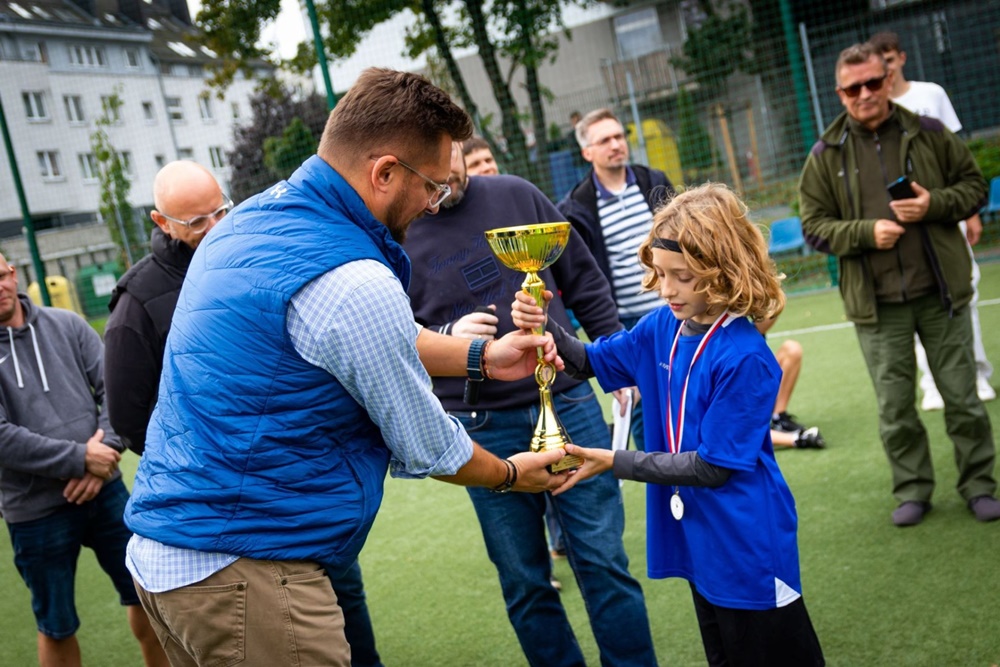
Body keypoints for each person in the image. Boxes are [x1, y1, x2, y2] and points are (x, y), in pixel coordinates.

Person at [122, 68, 569, 667]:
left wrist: (479, 356)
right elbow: (429, 444)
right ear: (384, 172)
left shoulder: (253, 218)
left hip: (171, 559)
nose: (435, 202)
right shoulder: (351, 277)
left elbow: (355, 333)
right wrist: (513, 474)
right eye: (433, 186)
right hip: (245, 565)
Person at [513, 183, 825, 667]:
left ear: (723, 272)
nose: (666, 289)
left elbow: (712, 468)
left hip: (747, 544)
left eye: (682, 277)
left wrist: (611, 461)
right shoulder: (663, 327)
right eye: (660, 274)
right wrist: (543, 319)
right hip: (700, 536)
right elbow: (584, 361)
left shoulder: (745, 357)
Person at [104, 161, 391, 666]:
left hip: (311, 491)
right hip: (231, 520)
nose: (213, 226)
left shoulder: (253, 254)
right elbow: (129, 419)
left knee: (350, 616)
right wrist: (215, 451)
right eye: (195, 222)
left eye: (220, 210)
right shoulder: (138, 302)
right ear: (160, 222)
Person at [403, 144, 657, 667]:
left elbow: (584, 281)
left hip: (568, 402)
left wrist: (615, 365)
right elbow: (390, 333)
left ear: (461, 146)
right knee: (524, 579)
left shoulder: (518, 194)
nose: (443, 176)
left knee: (605, 563)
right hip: (479, 424)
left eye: (449, 155)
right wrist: (449, 338)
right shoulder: (397, 229)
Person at [799, 43, 1000, 525]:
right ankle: (912, 489)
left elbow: (974, 186)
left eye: (873, 82)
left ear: (888, 80)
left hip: (940, 291)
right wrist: (867, 233)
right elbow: (813, 226)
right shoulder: (826, 153)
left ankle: (979, 485)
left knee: (963, 398)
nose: (865, 94)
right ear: (840, 93)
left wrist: (934, 204)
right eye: (853, 88)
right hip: (877, 303)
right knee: (895, 407)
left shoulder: (928, 131)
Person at [0, 253, 167, 667]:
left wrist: (104, 455)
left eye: (0, 275)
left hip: (106, 490)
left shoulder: (67, 325)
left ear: (13, 273)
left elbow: (115, 388)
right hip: (34, 512)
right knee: (56, 624)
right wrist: (79, 459)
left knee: (148, 597)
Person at [868, 30, 995, 409]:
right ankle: (933, 384)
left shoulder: (931, 94)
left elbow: (958, 161)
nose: (885, 69)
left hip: (941, 215)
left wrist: (968, 213)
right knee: (913, 299)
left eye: (889, 59)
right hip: (900, 227)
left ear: (901, 58)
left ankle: (977, 374)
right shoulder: (871, 108)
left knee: (963, 291)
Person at [558, 108, 676, 450]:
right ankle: (658, 468)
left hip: (670, 310)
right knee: (639, 403)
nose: (615, 145)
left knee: (682, 391)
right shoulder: (576, 207)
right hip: (623, 322)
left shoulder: (653, 181)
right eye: (604, 140)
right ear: (587, 152)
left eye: (619, 136)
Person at [755, 317, 826, 450]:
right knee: (729, 431)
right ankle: (798, 439)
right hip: (731, 395)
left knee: (791, 349)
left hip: (752, 386)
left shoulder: (738, 324)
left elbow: (760, 327)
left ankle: (779, 418)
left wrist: (777, 299)